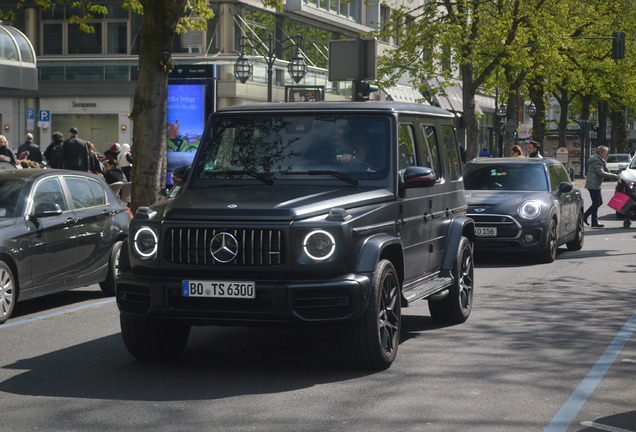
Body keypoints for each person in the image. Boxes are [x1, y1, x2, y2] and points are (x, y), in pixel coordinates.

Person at [583, 145, 619, 228]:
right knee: (597, 202)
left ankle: (591, 219)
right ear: (601, 152)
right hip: (593, 184)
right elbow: (601, 173)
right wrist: (614, 176)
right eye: (605, 152)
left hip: (595, 184)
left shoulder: (599, 160)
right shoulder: (596, 161)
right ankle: (589, 218)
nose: (606, 154)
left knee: (598, 202)